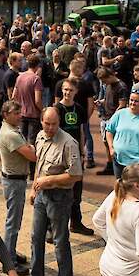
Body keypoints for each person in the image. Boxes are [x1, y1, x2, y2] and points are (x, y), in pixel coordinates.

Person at [22, 107, 83, 276]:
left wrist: (49, 181)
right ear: (41, 121)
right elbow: (39, 165)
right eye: (46, 123)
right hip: (42, 195)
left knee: (59, 240)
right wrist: (34, 188)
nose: (49, 128)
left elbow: (76, 175)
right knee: (36, 236)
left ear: (59, 123)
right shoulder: (40, 136)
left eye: (54, 124)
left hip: (59, 197)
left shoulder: (68, 143)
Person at [0, 100, 37, 276]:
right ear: (5, 115)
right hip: (14, 182)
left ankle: (10, 251)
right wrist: (31, 148)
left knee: (14, 220)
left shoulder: (11, 129)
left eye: (19, 112)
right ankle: (9, 261)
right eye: (15, 113)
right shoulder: (10, 134)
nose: (19, 116)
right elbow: (33, 155)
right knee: (13, 222)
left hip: (13, 180)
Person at [54, 78, 94, 235]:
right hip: (61, 155)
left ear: (76, 92)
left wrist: (83, 152)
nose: (67, 93)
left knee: (76, 191)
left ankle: (76, 223)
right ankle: (54, 227)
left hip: (76, 155)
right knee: (58, 191)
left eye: (70, 90)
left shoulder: (79, 109)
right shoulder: (57, 109)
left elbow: (82, 131)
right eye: (65, 89)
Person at [105, 88, 139, 178]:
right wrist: (111, 148)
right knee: (121, 187)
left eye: (136, 101)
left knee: (137, 188)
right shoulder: (119, 114)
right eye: (131, 100)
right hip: (119, 159)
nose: (133, 103)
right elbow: (109, 130)